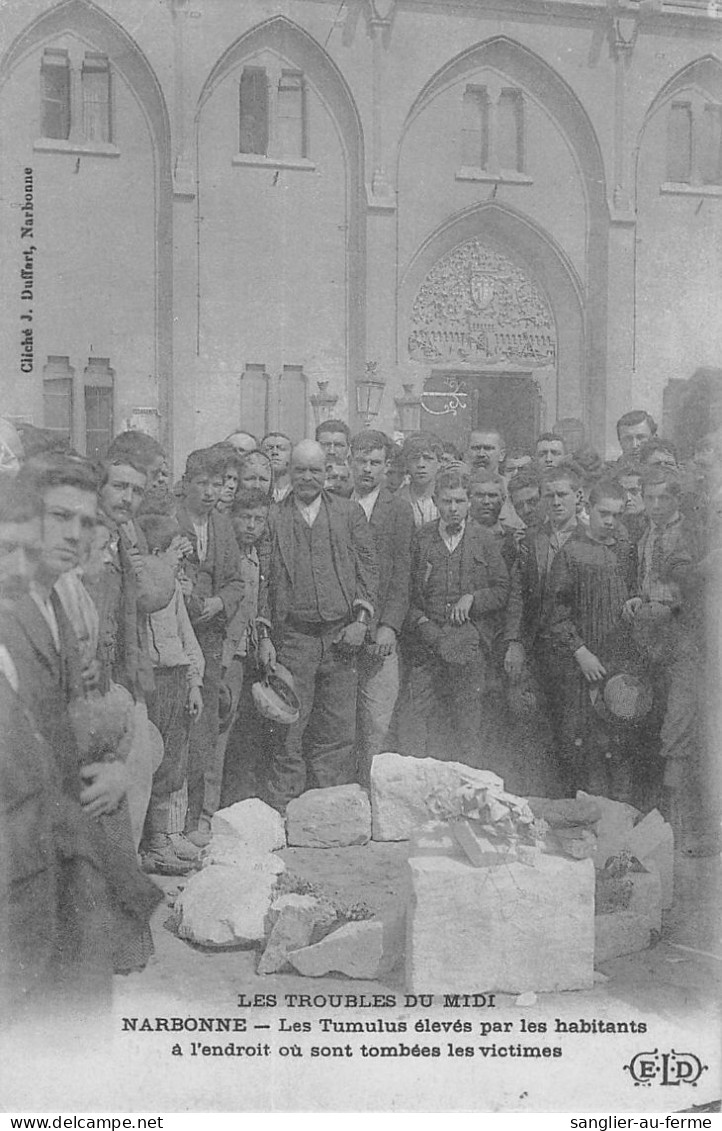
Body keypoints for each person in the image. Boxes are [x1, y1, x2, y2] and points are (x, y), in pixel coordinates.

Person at [257, 439, 378, 810]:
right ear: (289, 473)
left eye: (315, 470)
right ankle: (283, 812)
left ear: (327, 472)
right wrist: (264, 635)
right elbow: (262, 580)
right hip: (294, 639)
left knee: (337, 730)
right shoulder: (273, 518)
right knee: (288, 730)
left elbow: (368, 570)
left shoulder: (348, 513)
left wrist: (360, 621)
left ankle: (329, 811)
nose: (307, 478)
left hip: (341, 637)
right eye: (300, 470)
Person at [401, 467, 509, 769]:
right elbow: (405, 595)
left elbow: (503, 590)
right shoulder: (421, 540)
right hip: (427, 644)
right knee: (416, 719)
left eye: (460, 502)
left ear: (469, 503)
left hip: (468, 645)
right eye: (447, 501)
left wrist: (473, 598)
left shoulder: (484, 541)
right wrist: (421, 624)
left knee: (468, 724)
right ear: (435, 501)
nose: (453, 509)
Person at [548, 479, 638, 799]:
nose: (610, 521)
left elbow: (635, 593)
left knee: (621, 746)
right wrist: (580, 652)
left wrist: (634, 603)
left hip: (621, 664)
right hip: (584, 667)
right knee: (588, 748)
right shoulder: (570, 553)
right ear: (587, 510)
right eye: (604, 514)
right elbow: (556, 615)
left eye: (617, 514)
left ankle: (621, 832)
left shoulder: (626, 551)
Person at [175, 449, 244, 844]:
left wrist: (219, 602)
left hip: (211, 637)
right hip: (176, 638)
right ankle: (165, 826)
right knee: (175, 730)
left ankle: (195, 821)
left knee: (203, 736)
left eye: (216, 484)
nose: (209, 492)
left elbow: (236, 582)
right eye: (201, 483)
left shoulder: (222, 524)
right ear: (187, 483)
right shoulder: (172, 520)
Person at [135, 511, 205, 875]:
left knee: (173, 764)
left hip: (176, 678)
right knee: (149, 761)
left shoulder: (175, 588)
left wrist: (194, 682)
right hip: (151, 682)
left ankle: (163, 836)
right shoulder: (140, 591)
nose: (183, 558)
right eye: (177, 551)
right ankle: (148, 842)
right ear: (159, 551)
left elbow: (185, 636)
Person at [349, 430, 414, 781]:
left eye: (375, 463)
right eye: (361, 461)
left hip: (381, 633)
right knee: (343, 721)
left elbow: (403, 571)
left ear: (387, 467)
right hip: (344, 630)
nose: (367, 470)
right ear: (349, 462)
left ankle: (373, 790)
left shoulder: (398, 508)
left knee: (377, 720)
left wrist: (389, 624)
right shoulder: (338, 503)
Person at [219, 487, 271, 806]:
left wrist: (264, 638)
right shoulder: (227, 552)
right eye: (245, 518)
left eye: (259, 519)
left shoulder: (257, 555)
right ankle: (205, 814)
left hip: (250, 652)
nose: (251, 525)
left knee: (243, 733)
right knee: (219, 729)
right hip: (228, 653)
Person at [396, 432, 443, 527]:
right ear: (406, 463)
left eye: (428, 458)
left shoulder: (448, 499)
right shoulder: (396, 499)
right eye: (414, 458)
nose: (421, 464)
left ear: (439, 463)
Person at [261, 432, 293, 503]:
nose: (274, 452)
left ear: (291, 455)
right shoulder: (257, 489)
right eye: (268, 449)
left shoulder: (299, 490)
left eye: (281, 449)